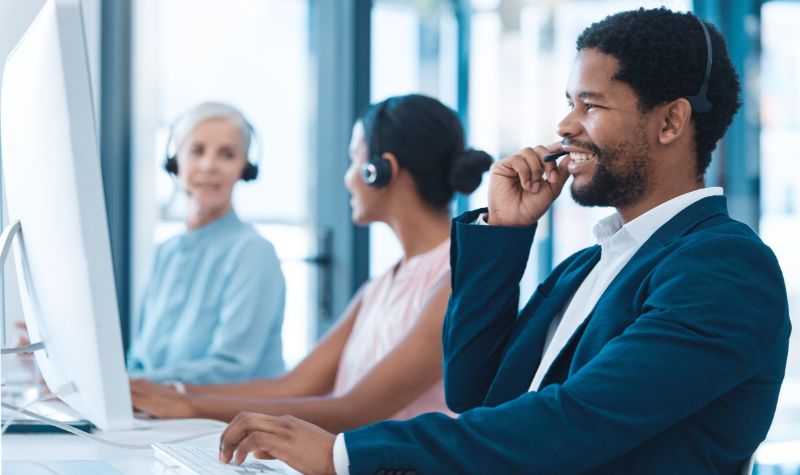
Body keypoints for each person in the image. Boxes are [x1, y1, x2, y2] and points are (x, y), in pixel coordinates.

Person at [217, 8, 792, 475]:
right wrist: (505, 233)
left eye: (590, 105)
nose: (566, 125)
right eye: (570, 103)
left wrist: (342, 455)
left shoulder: (724, 268)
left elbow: (574, 423)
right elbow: (473, 391)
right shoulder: (588, 266)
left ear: (670, 123)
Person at [130, 94, 493, 432]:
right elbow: (296, 385)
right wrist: (175, 394)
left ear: (381, 170)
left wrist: (188, 406)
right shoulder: (383, 284)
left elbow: (355, 410)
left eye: (354, 160)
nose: (347, 178)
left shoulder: (454, 282)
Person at [127, 102, 286, 385]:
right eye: (197, 151)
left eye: (227, 154)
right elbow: (138, 360)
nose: (209, 166)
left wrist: (131, 386)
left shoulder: (254, 253)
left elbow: (231, 369)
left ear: (245, 168)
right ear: (175, 162)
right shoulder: (165, 253)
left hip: (228, 422)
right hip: (158, 420)